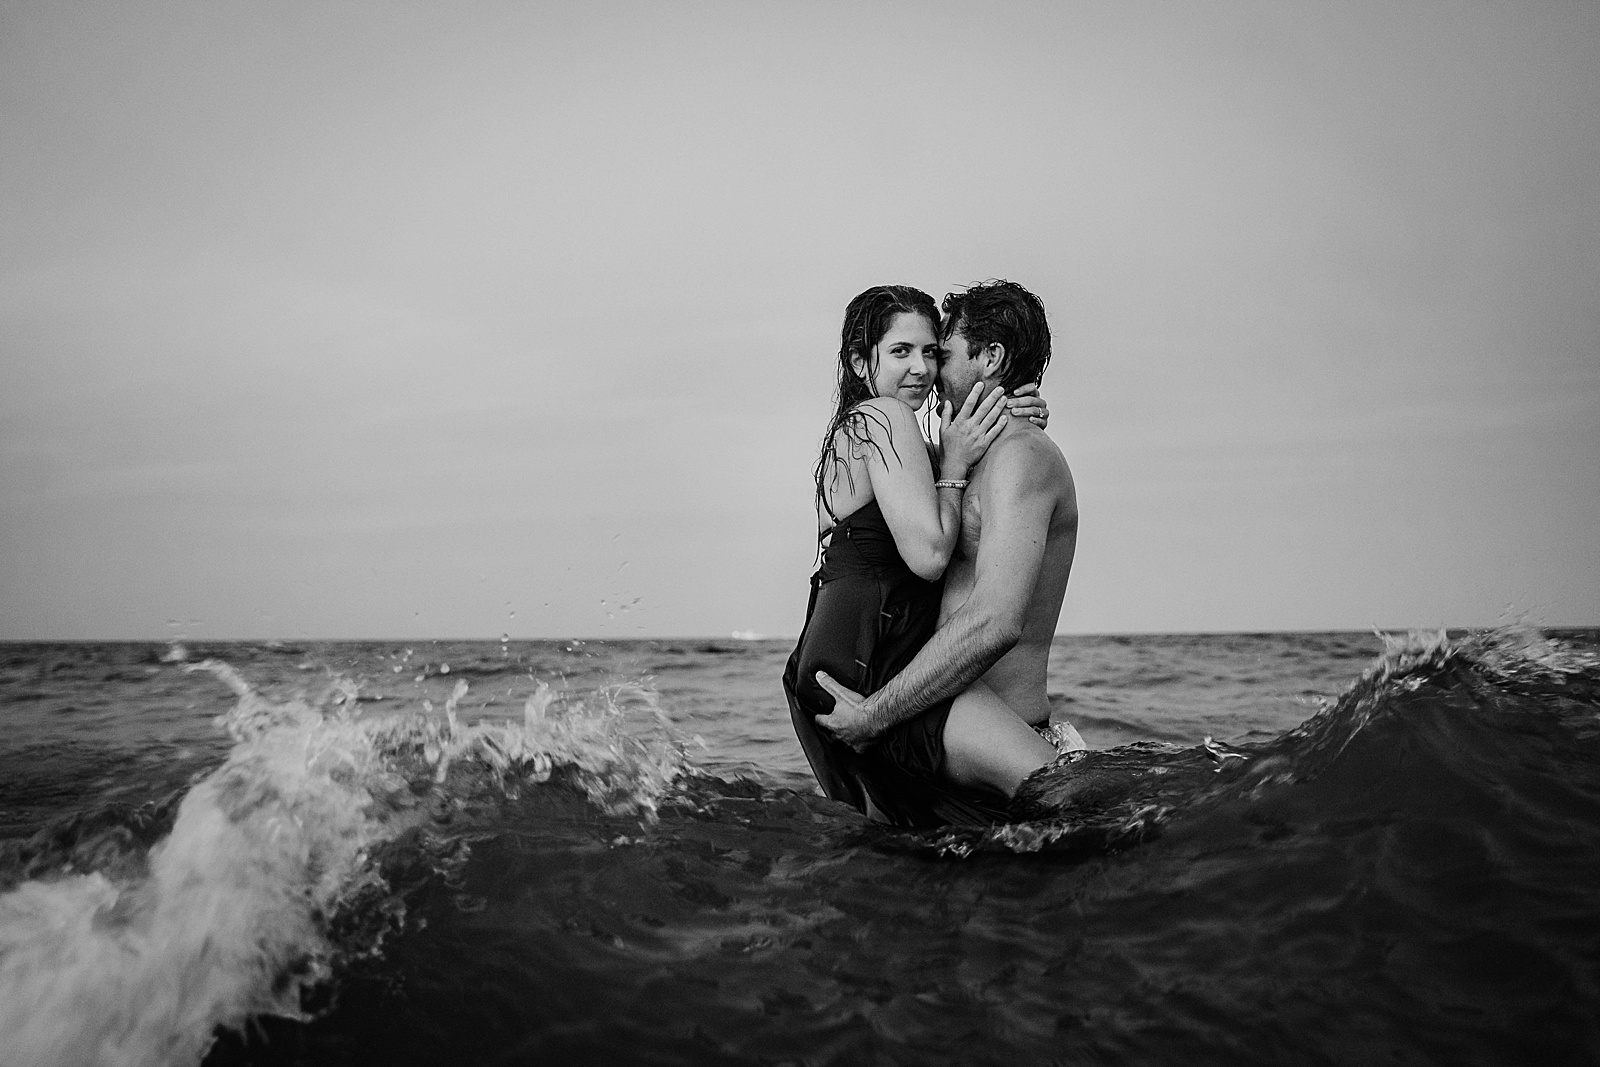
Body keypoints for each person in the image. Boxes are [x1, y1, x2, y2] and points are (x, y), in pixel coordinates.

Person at [781, 285, 1050, 827]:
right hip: (867, 663)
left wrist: (998, 416)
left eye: (931, 352)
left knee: (909, 846)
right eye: (900, 352)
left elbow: (968, 505)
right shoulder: (885, 419)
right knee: (1058, 790)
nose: (922, 368)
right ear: (861, 362)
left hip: (839, 657)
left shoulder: (871, 430)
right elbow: (930, 555)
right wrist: (954, 459)